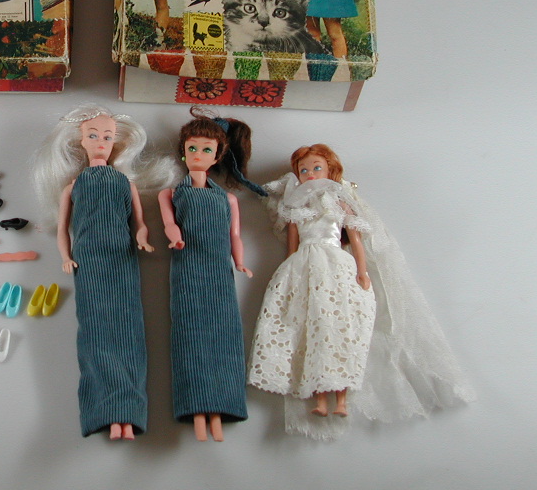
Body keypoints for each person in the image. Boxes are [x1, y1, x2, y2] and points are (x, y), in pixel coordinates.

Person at [249, 144, 474, 439]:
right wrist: (288, 273)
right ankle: (319, 399)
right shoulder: (295, 210)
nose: (310, 174)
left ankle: (341, 400)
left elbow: (355, 241)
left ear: (330, 171)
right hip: (305, 265)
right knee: (313, 329)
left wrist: (362, 271)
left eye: (316, 168)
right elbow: (291, 248)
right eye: (303, 170)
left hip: (336, 263)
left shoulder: (339, 202)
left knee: (340, 327)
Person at [34, 104, 169, 440]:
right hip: (89, 261)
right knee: (95, 331)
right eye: (93, 135)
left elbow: (139, 222)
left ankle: (129, 414)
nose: (100, 142)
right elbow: (62, 228)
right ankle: (105, 412)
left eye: (107, 137)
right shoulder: (73, 186)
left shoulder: (125, 183)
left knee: (129, 327)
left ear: (117, 143)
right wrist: (66, 256)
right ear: (80, 141)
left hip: (122, 259)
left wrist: (142, 238)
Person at [158, 108, 264, 441]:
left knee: (224, 335)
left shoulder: (228, 199)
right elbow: (169, 223)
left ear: (217, 155)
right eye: (192, 148)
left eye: (206, 149)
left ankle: (221, 411)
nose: (198, 154)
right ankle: (196, 411)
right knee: (189, 335)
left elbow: (235, 235)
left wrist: (240, 261)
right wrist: (175, 237)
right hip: (187, 268)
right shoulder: (171, 193)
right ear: (183, 151)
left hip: (220, 272)